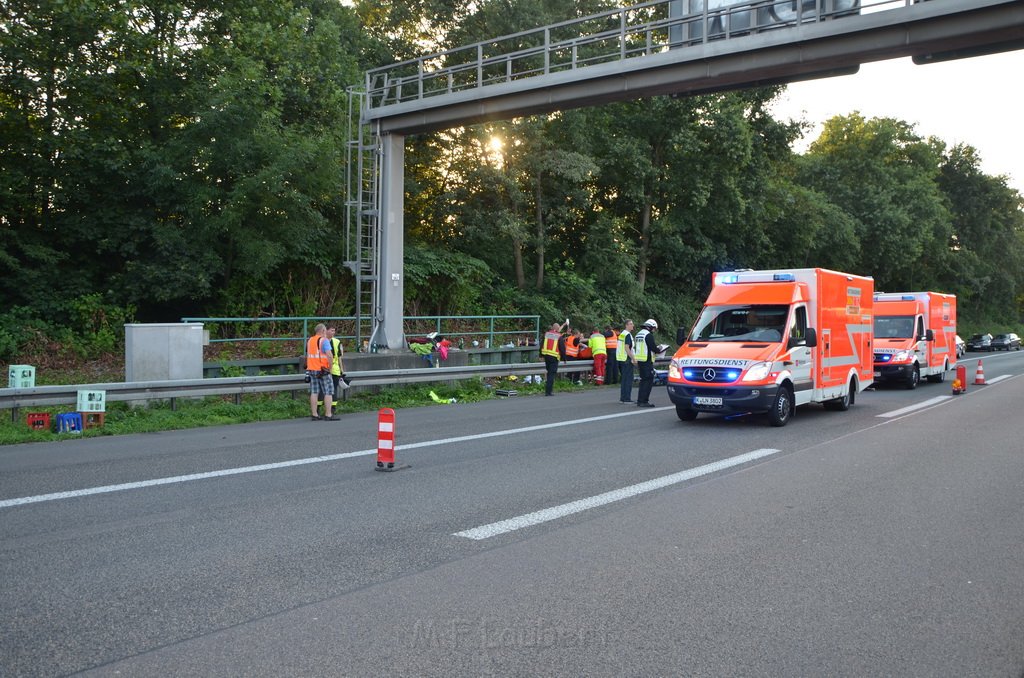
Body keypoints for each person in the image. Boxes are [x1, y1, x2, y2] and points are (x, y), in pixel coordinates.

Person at [306, 323, 336, 421]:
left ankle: (314, 414)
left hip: (312, 369)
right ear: (323, 331)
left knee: (314, 392)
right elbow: (330, 355)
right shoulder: (324, 341)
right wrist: (330, 368)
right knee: (328, 391)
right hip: (323, 370)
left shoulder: (310, 340)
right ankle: (328, 414)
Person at [540, 320, 569, 396]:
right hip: (554, 357)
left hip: (546, 356)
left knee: (549, 372)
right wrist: (564, 358)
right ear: (557, 328)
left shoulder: (546, 334)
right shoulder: (559, 336)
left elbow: (542, 344)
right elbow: (562, 348)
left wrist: (541, 355)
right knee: (551, 374)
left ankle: (548, 390)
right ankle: (548, 391)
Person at [635, 318, 658, 408]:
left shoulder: (638, 334)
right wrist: (659, 349)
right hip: (646, 361)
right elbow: (653, 347)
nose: (654, 330)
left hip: (640, 360)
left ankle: (640, 400)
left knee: (643, 380)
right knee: (648, 381)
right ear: (650, 327)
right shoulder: (648, 335)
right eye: (654, 328)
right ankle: (644, 401)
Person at [618, 319, 637, 403]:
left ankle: (623, 398)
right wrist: (633, 358)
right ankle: (626, 398)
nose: (632, 325)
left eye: (632, 324)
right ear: (626, 325)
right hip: (627, 359)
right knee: (628, 379)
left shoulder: (622, 334)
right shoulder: (628, 335)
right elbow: (627, 348)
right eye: (630, 324)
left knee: (624, 379)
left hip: (621, 359)